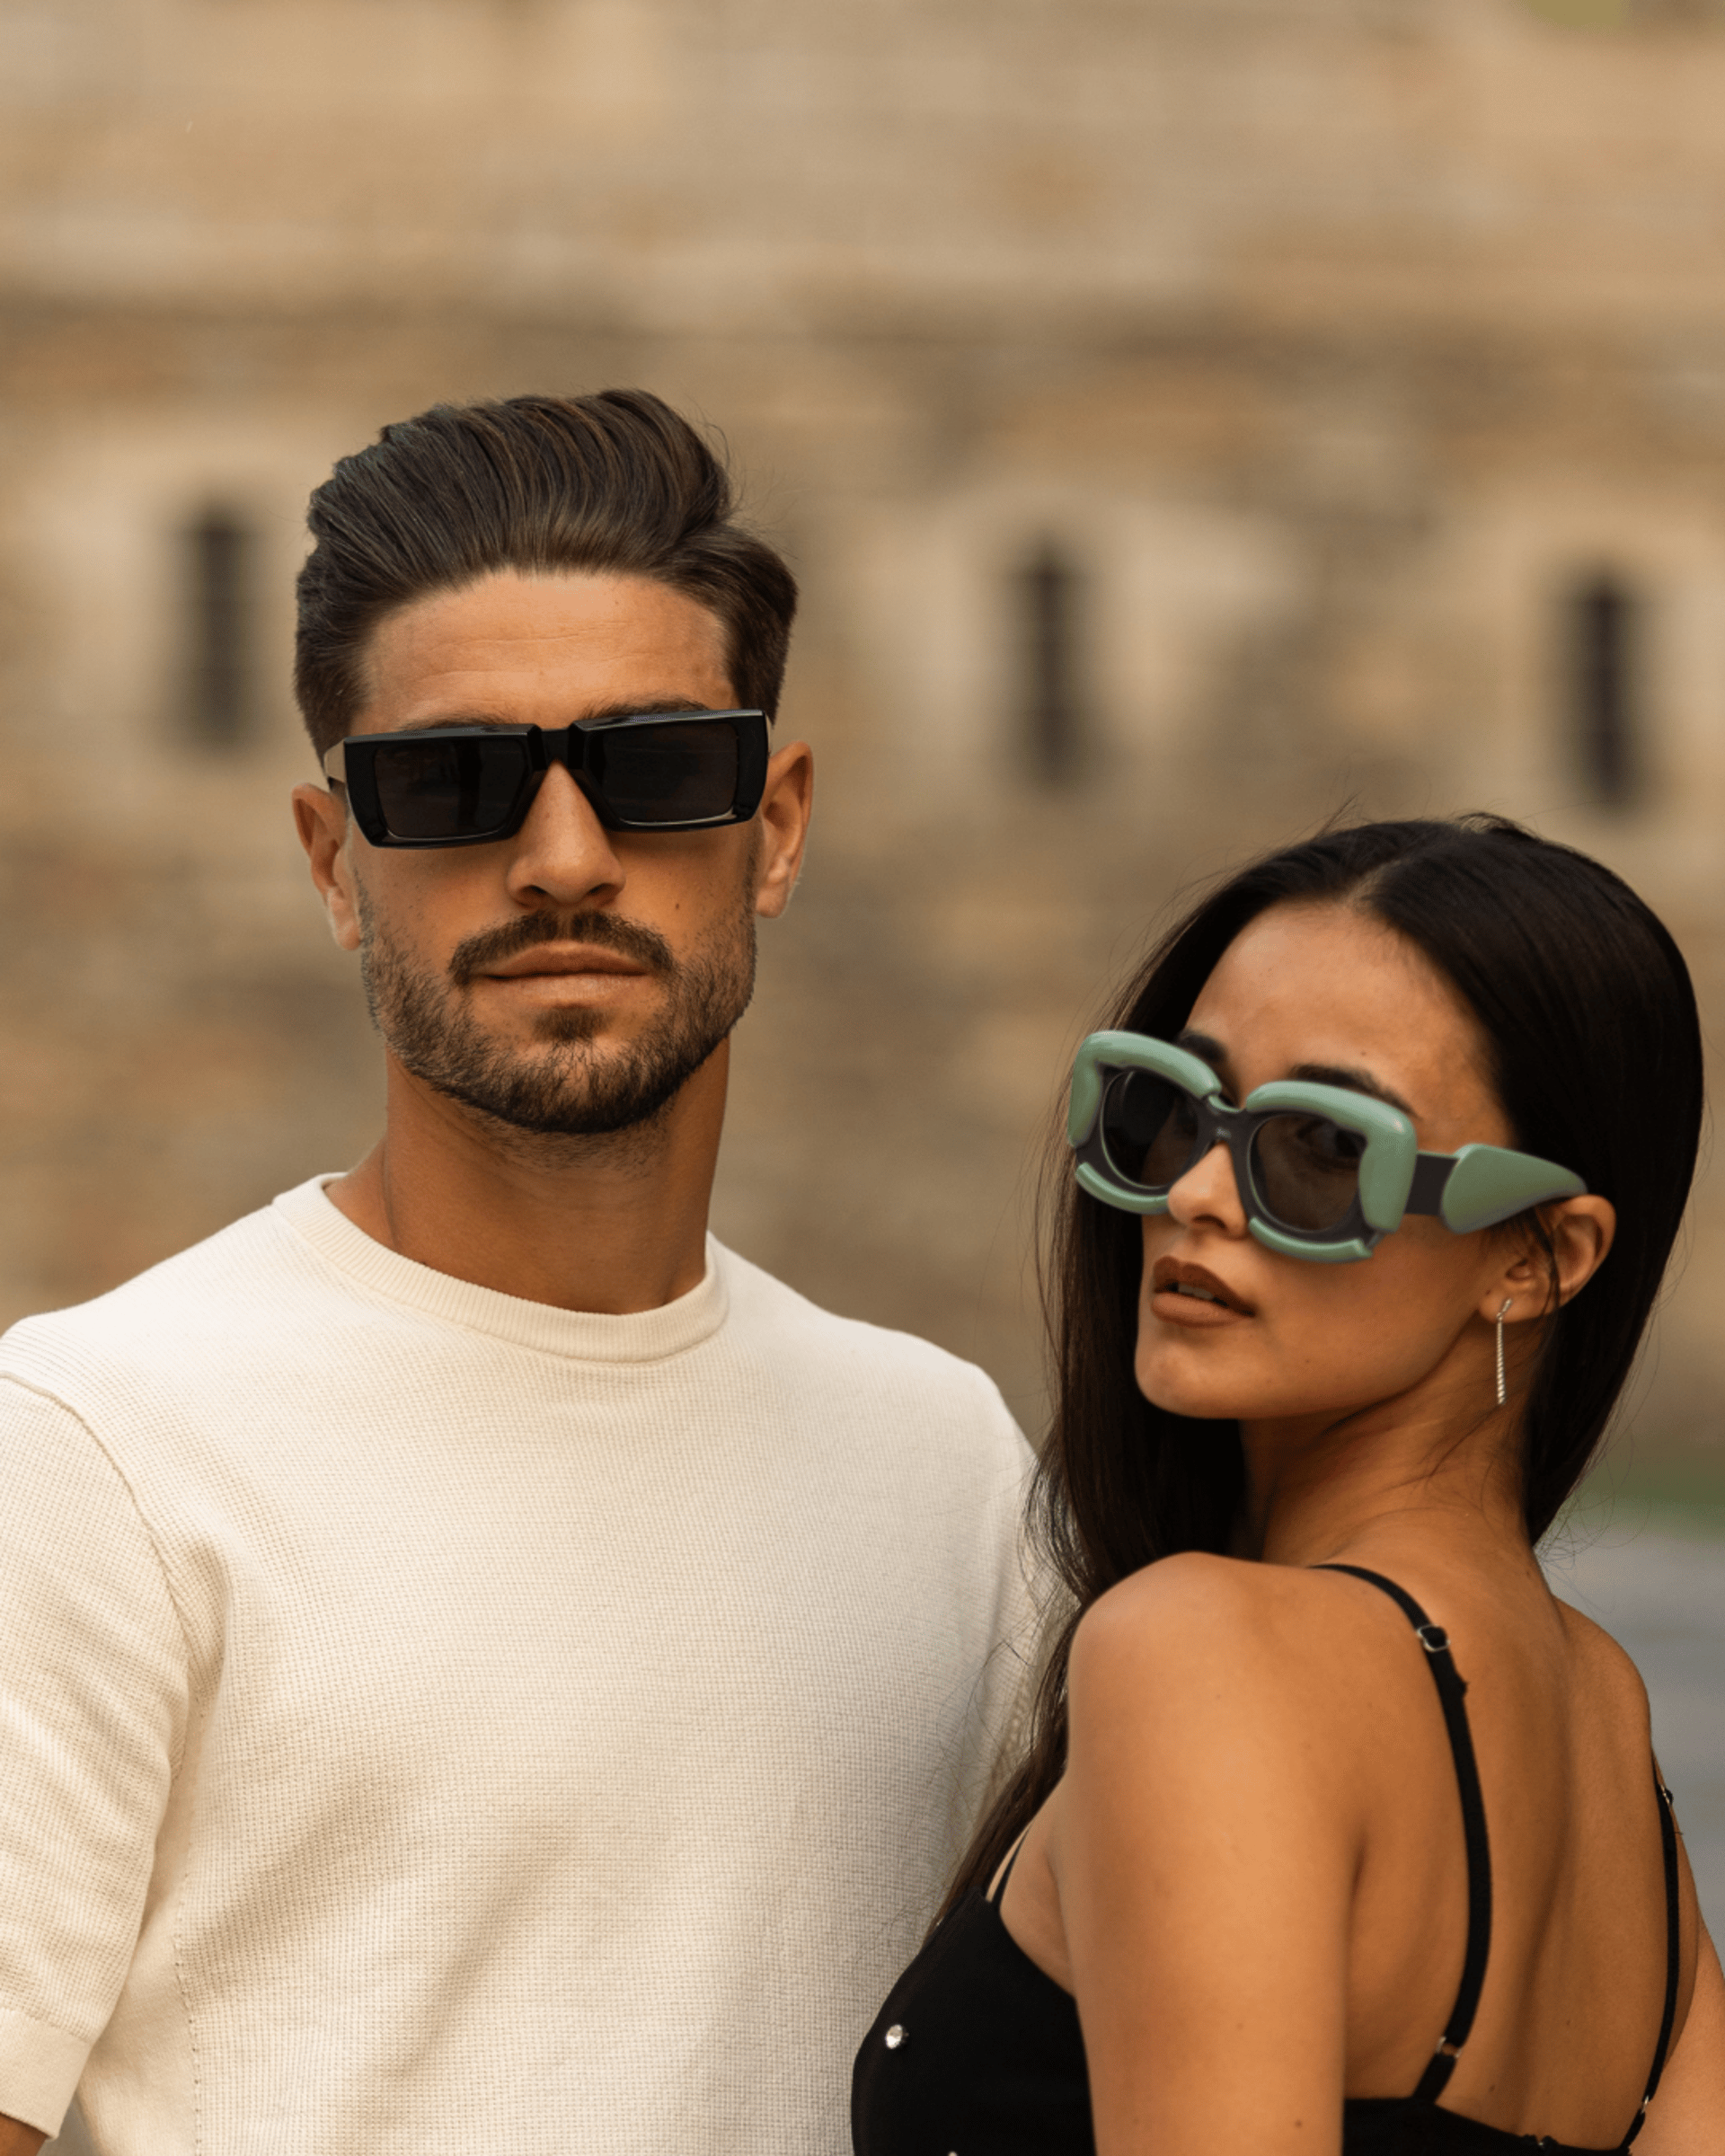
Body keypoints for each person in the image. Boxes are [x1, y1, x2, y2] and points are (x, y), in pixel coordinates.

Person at [0, 390, 1034, 2155]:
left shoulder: (954, 1471)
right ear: (338, 865)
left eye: (653, 770)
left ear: (774, 826)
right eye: (452, 784)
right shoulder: (96, 1449)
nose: (562, 859)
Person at [854, 816, 1725, 2153]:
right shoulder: (1609, 1737)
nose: (1197, 1192)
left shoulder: (1200, 1652)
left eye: (1321, 1152)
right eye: (1165, 1108)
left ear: (1538, 1258)